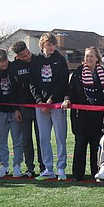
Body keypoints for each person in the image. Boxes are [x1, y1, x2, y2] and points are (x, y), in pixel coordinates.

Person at [67, 46, 104, 181]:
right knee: (80, 145)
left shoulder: (103, 73)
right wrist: (67, 99)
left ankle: (96, 173)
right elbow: (70, 90)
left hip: (97, 117)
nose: (88, 58)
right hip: (81, 117)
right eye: (86, 56)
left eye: (91, 56)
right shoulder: (78, 73)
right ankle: (77, 175)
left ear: (97, 58)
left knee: (95, 146)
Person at [30, 33, 70, 181]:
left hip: (57, 104)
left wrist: (51, 100)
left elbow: (63, 82)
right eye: (49, 44)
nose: (52, 47)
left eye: (53, 44)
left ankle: (61, 168)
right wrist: (40, 101)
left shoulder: (60, 60)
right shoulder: (36, 61)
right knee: (43, 138)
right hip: (41, 106)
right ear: (43, 45)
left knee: (60, 137)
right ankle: (48, 168)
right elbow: (32, 83)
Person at [0, 48, 23, 178]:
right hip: (0, 111)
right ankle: (4, 166)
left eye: (6, 60)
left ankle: (17, 165)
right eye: (1, 62)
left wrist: (17, 109)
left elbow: (18, 89)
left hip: (14, 110)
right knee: (1, 141)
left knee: (18, 140)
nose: (4, 64)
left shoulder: (13, 68)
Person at [9, 40, 43, 178]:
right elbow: (12, 90)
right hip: (23, 108)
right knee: (26, 140)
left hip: (39, 106)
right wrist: (16, 109)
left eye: (28, 53)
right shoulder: (14, 67)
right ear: (17, 56)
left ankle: (44, 166)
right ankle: (30, 168)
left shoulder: (37, 60)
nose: (27, 57)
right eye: (24, 56)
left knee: (42, 139)